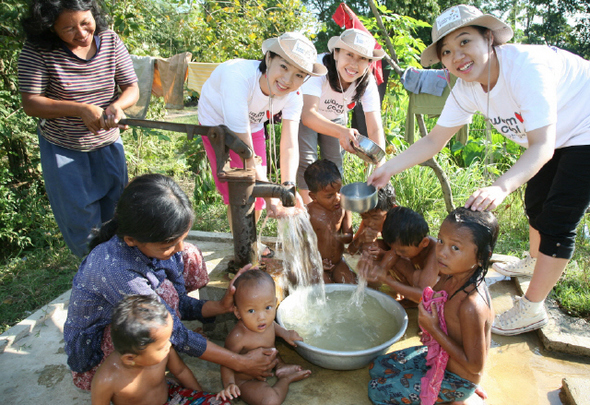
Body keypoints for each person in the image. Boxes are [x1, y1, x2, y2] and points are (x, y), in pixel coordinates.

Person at [368, 4, 590, 336]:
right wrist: (387, 169)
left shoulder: (526, 69)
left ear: (489, 39)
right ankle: (533, 261)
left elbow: (541, 147)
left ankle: (532, 307)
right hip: (555, 135)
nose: (456, 55)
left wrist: (500, 186)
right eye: (446, 50)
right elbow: (434, 140)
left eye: (465, 42)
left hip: (584, 127)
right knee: (536, 201)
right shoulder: (467, 87)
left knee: (558, 218)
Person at [64, 174, 278, 391]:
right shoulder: (117, 271)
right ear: (131, 239)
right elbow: (173, 330)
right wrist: (239, 362)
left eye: (181, 238)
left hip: (146, 310)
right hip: (101, 354)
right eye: (169, 244)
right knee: (163, 306)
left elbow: (180, 302)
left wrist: (221, 306)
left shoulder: (148, 247)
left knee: (190, 256)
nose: (179, 248)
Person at [18, 0, 139, 257]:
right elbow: (31, 103)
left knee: (118, 215)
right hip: (64, 149)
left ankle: (122, 269)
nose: (82, 34)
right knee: (83, 225)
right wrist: (80, 109)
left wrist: (117, 106)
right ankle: (94, 275)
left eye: (86, 23)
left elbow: (131, 88)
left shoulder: (110, 40)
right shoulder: (38, 50)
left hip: (108, 145)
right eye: (69, 29)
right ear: (50, 28)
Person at [197, 32, 327, 248]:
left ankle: (250, 241)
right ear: (269, 59)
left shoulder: (295, 95)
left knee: (257, 191)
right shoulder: (237, 78)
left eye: (298, 75)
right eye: (284, 67)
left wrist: (288, 188)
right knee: (241, 189)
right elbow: (245, 150)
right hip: (216, 122)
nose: (287, 80)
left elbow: (289, 145)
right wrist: (271, 195)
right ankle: (245, 246)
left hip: (252, 123)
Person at [368, 207, 498, 405]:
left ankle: (459, 395)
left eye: (455, 248)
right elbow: (430, 297)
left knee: (377, 390)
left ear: (481, 257)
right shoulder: (450, 275)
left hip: (457, 378)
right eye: (442, 241)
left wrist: (433, 329)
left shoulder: (471, 306)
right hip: (441, 358)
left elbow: (474, 366)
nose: (442, 252)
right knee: (378, 366)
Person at [297, 28, 387, 204]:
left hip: (337, 117)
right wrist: (341, 132)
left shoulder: (367, 82)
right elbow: (308, 115)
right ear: (336, 53)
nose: (354, 64)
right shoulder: (319, 69)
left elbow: (375, 126)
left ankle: (333, 211)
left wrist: (381, 164)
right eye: (349, 55)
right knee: (307, 165)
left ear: (369, 62)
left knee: (335, 166)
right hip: (306, 116)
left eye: (362, 58)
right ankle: (311, 215)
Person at [91, 295, 229, 405]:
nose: (169, 345)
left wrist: (200, 396)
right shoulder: (106, 380)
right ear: (130, 358)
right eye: (162, 346)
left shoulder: (164, 349)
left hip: (172, 397)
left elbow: (181, 371)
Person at [217, 269, 311, 404]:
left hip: (268, 363)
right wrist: (229, 384)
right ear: (237, 312)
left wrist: (286, 333)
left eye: (268, 307)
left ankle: (281, 367)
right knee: (270, 401)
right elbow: (226, 361)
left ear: (275, 302)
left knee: (271, 350)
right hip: (247, 379)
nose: (262, 317)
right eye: (251, 310)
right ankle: (286, 380)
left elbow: (274, 326)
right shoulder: (238, 336)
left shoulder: (266, 322)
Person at [359, 206, 439, 304]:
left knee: (417, 277)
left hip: (436, 293)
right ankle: (408, 298)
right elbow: (391, 255)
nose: (397, 252)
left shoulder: (435, 251)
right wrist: (380, 259)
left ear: (424, 242)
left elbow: (423, 294)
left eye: (403, 251)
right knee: (391, 257)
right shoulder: (408, 243)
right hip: (420, 280)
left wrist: (388, 281)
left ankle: (412, 299)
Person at [304, 159, 355, 283]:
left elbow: (349, 236)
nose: (337, 198)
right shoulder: (308, 214)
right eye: (329, 196)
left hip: (338, 262)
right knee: (325, 291)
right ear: (313, 197)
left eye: (339, 191)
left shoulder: (344, 207)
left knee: (352, 286)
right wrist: (314, 262)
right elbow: (301, 245)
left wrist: (341, 237)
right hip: (316, 264)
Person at [348, 184, 397, 260]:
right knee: (367, 248)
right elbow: (351, 251)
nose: (370, 223)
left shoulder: (399, 225)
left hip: (410, 261)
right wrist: (361, 238)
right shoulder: (368, 218)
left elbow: (405, 256)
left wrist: (383, 255)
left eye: (375, 218)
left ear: (393, 209)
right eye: (364, 217)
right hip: (391, 248)